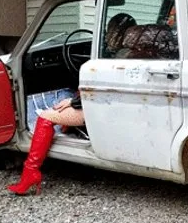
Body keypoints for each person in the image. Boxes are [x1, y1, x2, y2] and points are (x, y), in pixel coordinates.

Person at [7, 13, 137, 195]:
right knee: (64, 105)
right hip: (105, 104)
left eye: (109, 31)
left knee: (46, 116)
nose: (107, 36)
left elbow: (97, 89)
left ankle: (31, 173)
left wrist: (73, 101)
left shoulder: (114, 57)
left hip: (95, 107)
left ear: (115, 33)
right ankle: (62, 134)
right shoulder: (129, 54)